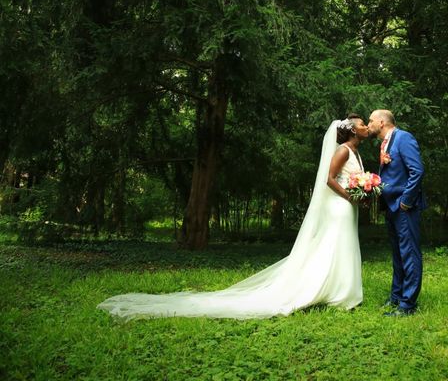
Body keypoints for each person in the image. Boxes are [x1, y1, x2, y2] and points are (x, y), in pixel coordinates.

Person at [97, 114, 369, 320]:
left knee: (341, 246)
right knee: (336, 245)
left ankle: (339, 290)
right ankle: (336, 292)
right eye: (362, 124)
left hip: (347, 206)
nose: (366, 127)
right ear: (351, 130)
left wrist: (363, 189)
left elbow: (350, 178)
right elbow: (328, 180)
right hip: (340, 206)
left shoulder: (355, 151)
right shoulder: (343, 150)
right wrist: (349, 196)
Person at [368, 109, 425, 316]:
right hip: (391, 208)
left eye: (371, 120)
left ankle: (407, 305)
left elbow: (417, 171)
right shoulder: (386, 143)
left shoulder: (403, 138)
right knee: (398, 255)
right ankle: (396, 297)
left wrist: (406, 202)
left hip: (404, 209)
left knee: (409, 254)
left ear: (382, 122)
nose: (369, 124)